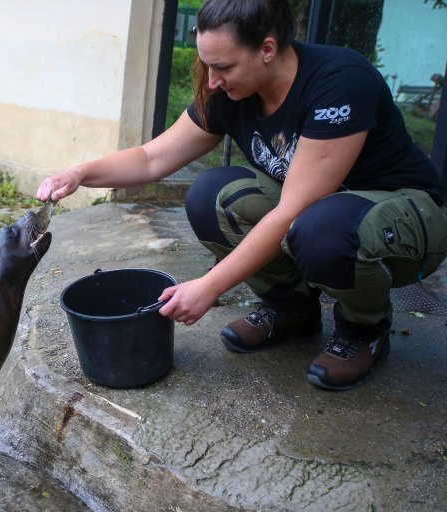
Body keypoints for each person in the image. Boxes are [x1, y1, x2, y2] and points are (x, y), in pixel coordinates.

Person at [35, 0, 447, 391]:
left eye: (223, 66)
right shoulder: (232, 92)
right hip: (318, 208)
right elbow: (150, 159)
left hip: (405, 215)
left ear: (267, 48)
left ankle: (365, 328)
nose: (212, 80)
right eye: (207, 65)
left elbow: (292, 211)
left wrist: (211, 285)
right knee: (210, 195)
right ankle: (292, 308)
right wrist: (80, 173)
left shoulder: (340, 82)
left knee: (322, 228)